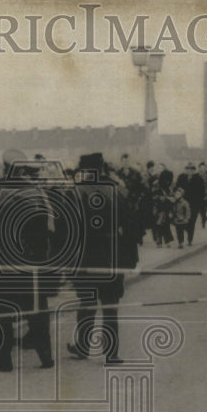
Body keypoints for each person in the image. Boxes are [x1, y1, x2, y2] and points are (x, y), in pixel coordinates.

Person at [67, 152, 139, 365]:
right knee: (110, 305)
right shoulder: (116, 192)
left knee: (87, 302)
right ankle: (112, 353)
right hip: (112, 254)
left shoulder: (75, 193)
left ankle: (83, 347)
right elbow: (131, 226)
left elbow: (67, 229)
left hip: (85, 255)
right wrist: (128, 258)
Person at [0, 149, 55, 372]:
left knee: (2, 311)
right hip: (32, 263)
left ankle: (4, 359)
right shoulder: (35, 191)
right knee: (37, 310)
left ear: (6, 168)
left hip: (6, 263)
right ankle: (46, 356)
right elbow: (44, 231)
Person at [175, 162, 204, 245]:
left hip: (194, 205)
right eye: (188, 169)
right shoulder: (181, 177)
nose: (189, 171)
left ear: (194, 170)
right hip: (182, 204)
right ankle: (181, 240)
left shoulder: (198, 179)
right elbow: (177, 188)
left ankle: (189, 239)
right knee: (180, 222)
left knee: (191, 222)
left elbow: (201, 193)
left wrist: (199, 206)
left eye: (191, 169)